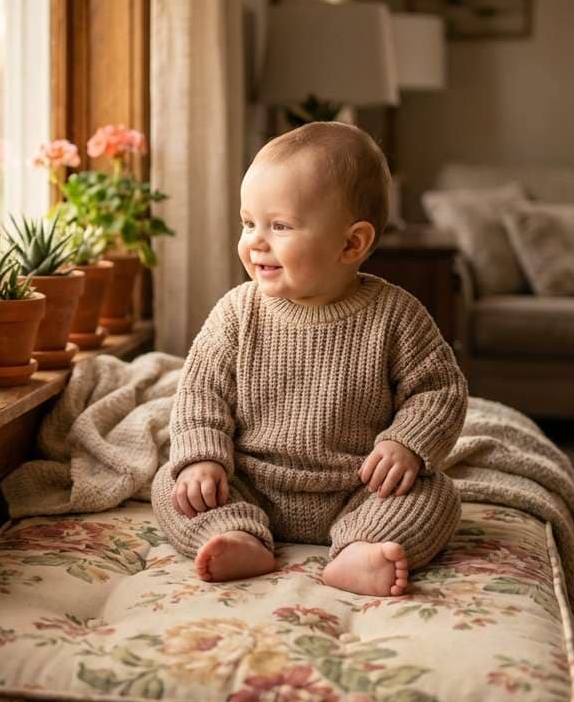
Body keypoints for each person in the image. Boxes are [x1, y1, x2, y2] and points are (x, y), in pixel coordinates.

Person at [151, 121, 468, 597]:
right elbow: (200, 394)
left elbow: (440, 390)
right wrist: (201, 460)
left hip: (359, 488)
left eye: (279, 226)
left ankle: (361, 549)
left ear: (351, 243)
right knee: (171, 484)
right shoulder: (238, 312)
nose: (256, 241)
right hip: (249, 480)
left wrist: (407, 443)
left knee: (437, 496)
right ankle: (236, 535)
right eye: (248, 222)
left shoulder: (396, 314)